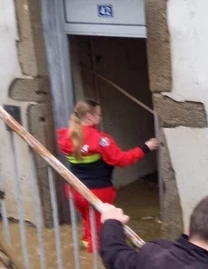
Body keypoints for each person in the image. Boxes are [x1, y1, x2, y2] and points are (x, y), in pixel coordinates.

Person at [57, 98, 161, 253]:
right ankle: (95, 264)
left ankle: (86, 244)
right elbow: (122, 160)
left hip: (74, 189)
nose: (100, 118)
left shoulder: (65, 136)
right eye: (98, 115)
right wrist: (146, 147)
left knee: (88, 219)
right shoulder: (101, 140)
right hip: (98, 192)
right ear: (90, 117)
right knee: (99, 232)